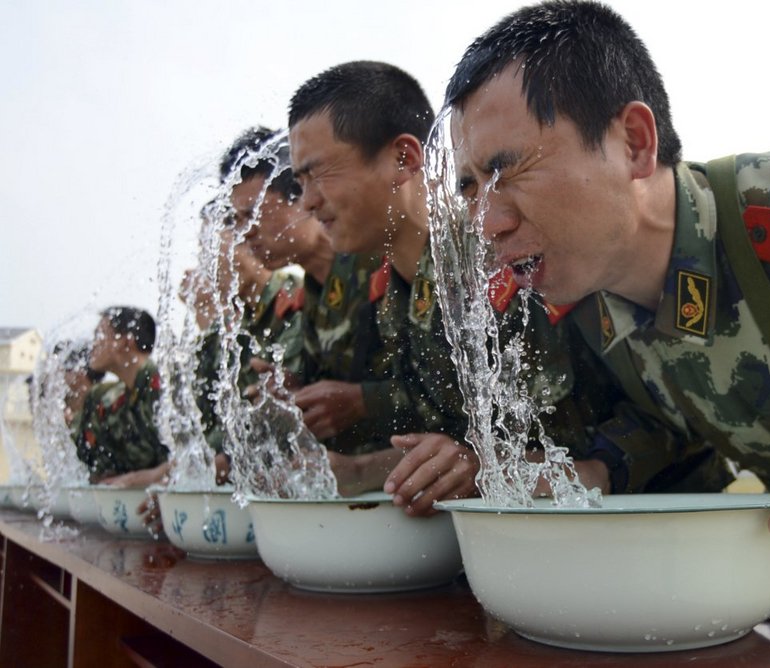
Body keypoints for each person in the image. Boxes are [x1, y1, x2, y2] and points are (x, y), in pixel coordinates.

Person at [443, 2, 770, 665]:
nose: (487, 223)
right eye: (468, 188)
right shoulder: (583, 300)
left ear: (633, 142)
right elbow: (678, 420)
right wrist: (586, 473)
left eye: (507, 171)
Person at [287, 60, 625, 514]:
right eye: (300, 182)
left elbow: (649, 417)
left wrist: (485, 467)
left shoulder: (504, 251)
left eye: (319, 174)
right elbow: (458, 446)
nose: (307, 202)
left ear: (404, 159)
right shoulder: (397, 297)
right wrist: (359, 470)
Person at [221, 126, 390, 455]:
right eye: (238, 221)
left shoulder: (381, 261)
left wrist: (363, 403)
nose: (245, 234)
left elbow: (448, 391)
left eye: (253, 214)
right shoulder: (312, 294)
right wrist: (295, 391)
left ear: (301, 193)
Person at [75, 306, 169, 485]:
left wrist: (138, 479)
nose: (94, 344)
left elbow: (196, 458)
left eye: (100, 336)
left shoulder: (164, 387)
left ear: (127, 342)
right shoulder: (114, 399)